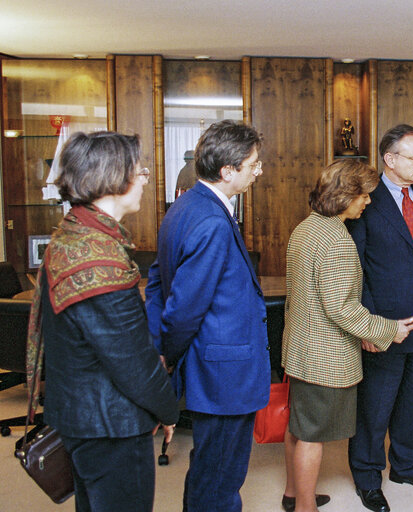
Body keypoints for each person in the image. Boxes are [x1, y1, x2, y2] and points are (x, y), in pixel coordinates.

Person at [28, 131, 179, 512]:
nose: (145, 178)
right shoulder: (99, 257)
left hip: (81, 416)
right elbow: (133, 362)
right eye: (139, 170)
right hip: (109, 424)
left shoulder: (72, 233)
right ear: (113, 178)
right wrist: (168, 409)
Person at [145, 120, 270, 512]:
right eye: (253, 164)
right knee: (219, 478)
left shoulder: (184, 206)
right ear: (227, 171)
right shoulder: (213, 220)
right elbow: (184, 307)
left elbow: (155, 282)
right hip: (223, 373)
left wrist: (160, 346)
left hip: (214, 367)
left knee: (209, 469)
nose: (259, 170)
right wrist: (165, 354)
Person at [281, 159, 413, 512]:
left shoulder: (306, 228)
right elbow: (342, 308)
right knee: (311, 435)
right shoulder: (337, 241)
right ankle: (305, 507)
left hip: (299, 349)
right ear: (345, 195)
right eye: (364, 196)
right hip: (323, 355)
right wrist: (390, 329)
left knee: (298, 426)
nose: (368, 202)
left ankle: (294, 493)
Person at [347, 124, 413, 512]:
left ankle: (406, 465)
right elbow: (356, 269)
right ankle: (368, 476)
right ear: (390, 160)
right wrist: (368, 326)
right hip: (384, 324)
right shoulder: (364, 202)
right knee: (375, 405)